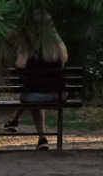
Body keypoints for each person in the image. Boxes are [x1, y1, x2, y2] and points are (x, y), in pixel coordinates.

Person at [12, 10, 68, 150]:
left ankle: (42, 138)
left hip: (35, 94)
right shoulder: (58, 45)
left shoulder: (29, 45)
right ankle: (15, 121)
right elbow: (64, 60)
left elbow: (19, 64)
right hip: (59, 93)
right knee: (34, 95)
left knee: (31, 97)